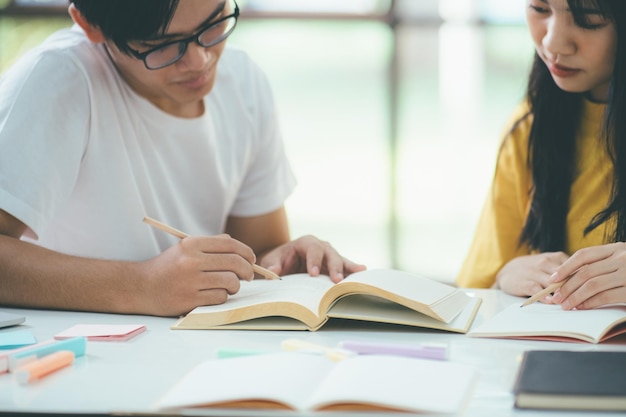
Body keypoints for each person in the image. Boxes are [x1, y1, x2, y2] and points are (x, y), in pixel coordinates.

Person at [0, 0, 365, 317]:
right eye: (163, 45)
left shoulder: (242, 82)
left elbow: (258, 253)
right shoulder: (58, 81)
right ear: (88, 26)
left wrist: (283, 261)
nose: (199, 60)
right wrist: (142, 285)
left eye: (213, 23)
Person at [457, 0, 626, 310]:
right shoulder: (529, 127)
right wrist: (505, 277)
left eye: (589, 18)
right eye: (539, 8)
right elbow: (472, 296)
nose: (553, 42)